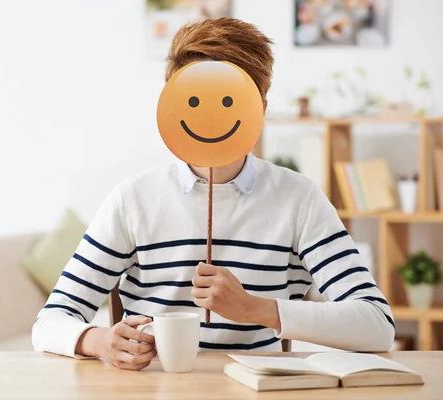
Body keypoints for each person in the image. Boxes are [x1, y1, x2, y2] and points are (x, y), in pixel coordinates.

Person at [32, 17, 395, 371]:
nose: (211, 117)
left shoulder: (299, 199)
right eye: (194, 101)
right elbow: (51, 321)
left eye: (228, 101)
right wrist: (100, 341)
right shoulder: (133, 199)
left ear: (261, 109)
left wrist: (253, 308)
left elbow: (377, 324)